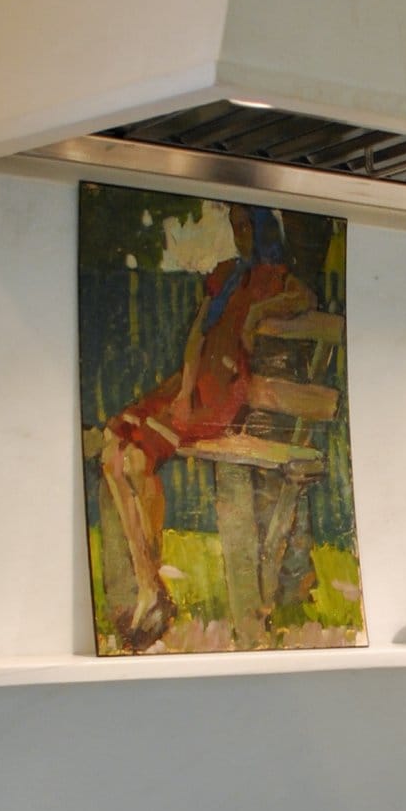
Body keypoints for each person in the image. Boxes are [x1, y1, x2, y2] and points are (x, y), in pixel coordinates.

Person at [98, 207, 315, 647]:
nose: (238, 232)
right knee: (114, 450)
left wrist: (259, 313)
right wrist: (183, 386)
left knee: (136, 457)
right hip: (194, 385)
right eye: (234, 224)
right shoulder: (226, 274)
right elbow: (197, 334)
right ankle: (148, 584)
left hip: (223, 391)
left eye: (244, 224)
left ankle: (150, 591)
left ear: (259, 228)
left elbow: (305, 300)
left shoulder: (274, 276)